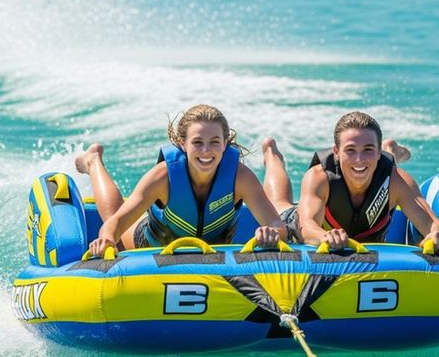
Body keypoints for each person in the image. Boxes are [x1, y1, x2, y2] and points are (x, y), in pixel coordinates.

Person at [76, 104, 288, 257]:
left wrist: (272, 233)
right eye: (197, 142)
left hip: (212, 250)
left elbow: (277, 224)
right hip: (151, 245)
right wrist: (108, 240)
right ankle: (93, 161)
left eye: (214, 142)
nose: (206, 151)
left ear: (225, 144)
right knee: (115, 219)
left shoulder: (240, 178)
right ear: (182, 144)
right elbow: (116, 223)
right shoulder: (162, 177)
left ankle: (272, 157)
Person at [262, 111, 439, 253]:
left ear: (378, 153)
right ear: (336, 152)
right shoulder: (319, 178)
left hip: (381, 169)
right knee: (279, 204)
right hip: (296, 227)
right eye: (350, 150)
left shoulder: (397, 180)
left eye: (368, 149)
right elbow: (306, 227)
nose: (359, 158)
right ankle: (272, 156)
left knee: (381, 166)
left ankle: (390, 150)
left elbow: (431, 222)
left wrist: (436, 235)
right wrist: (324, 236)